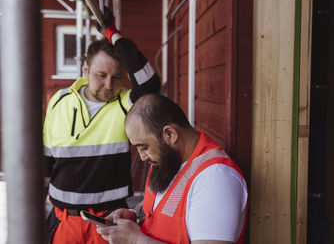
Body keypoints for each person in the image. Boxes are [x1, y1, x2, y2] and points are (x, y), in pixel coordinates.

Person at [43, 8, 160, 244]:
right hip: (64, 221)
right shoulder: (60, 100)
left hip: (109, 223)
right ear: (85, 71)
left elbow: (149, 82)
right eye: (101, 75)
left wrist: (111, 33)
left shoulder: (125, 103)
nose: (109, 84)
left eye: (117, 77)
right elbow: (45, 158)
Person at [97, 94, 248, 244]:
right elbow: (157, 204)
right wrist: (134, 214)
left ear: (170, 134)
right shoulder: (167, 159)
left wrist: (135, 240)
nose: (142, 157)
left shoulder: (215, 179)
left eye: (144, 147)